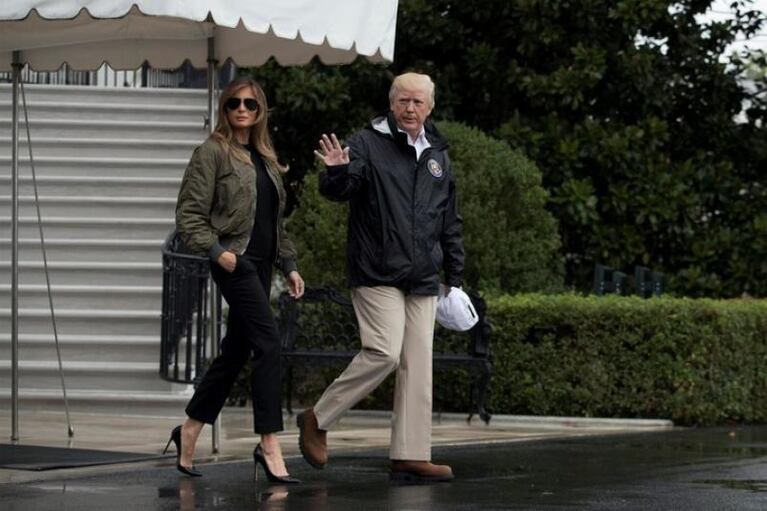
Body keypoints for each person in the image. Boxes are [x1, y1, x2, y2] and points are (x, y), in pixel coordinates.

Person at [298, 72, 464, 482]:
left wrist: (455, 275)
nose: (410, 108)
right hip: (376, 270)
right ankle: (318, 418)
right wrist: (336, 172)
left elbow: (449, 219)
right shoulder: (366, 143)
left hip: (423, 275)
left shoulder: (437, 153)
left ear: (430, 107)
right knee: (384, 352)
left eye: (418, 102)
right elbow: (341, 189)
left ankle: (410, 454)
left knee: (417, 364)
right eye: (403, 101)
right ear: (391, 104)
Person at [166, 77, 305, 483]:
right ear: (224, 109)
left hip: (263, 264)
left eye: (249, 104)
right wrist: (219, 253)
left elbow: (273, 223)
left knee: (235, 352)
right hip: (236, 263)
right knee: (268, 342)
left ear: (260, 110)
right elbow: (189, 216)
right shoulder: (211, 153)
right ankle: (269, 442)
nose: (241, 109)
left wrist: (290, 265)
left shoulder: (264, 157)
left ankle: (189, 429)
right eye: (233, 104)